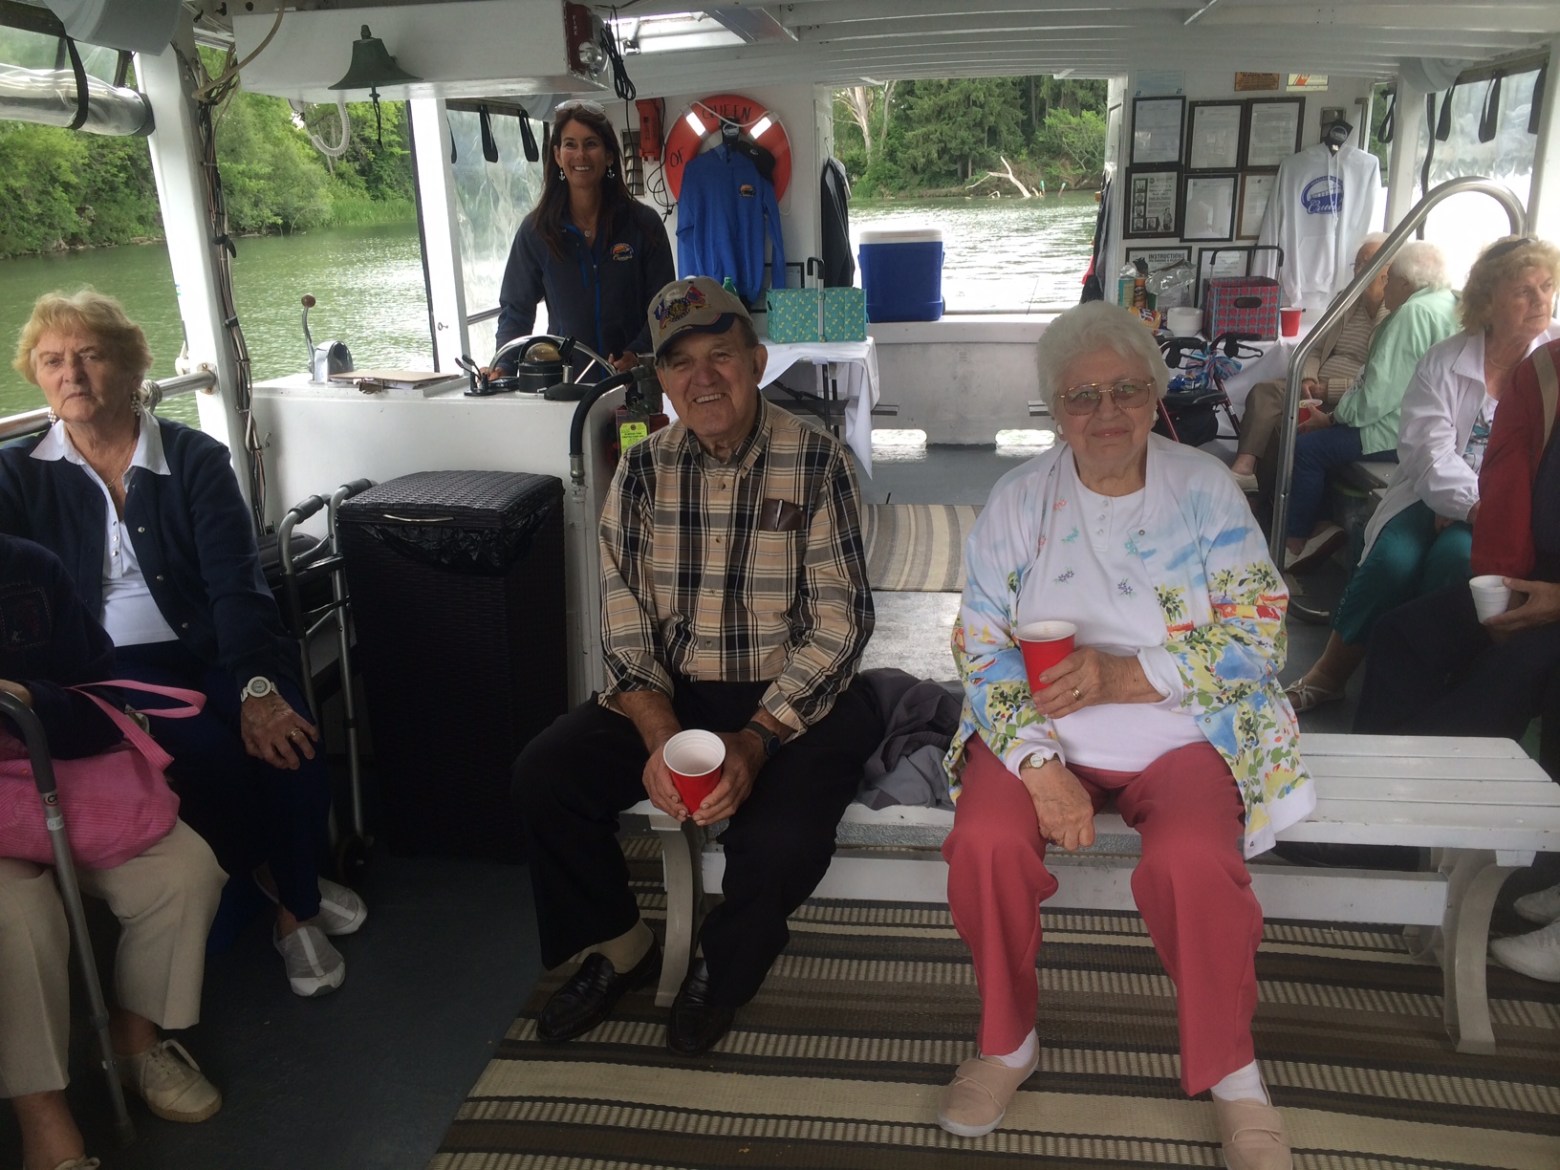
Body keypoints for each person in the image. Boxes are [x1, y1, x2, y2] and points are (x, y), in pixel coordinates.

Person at [939, 301, 1310, 1170]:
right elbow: (980, 643)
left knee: (1193, 865)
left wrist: (1123, 676)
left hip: (1181, 731)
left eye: (1125, 391)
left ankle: (1234, 1073)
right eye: (1081, 397)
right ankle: (1007, 1043)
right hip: (1039, 732)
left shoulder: (1204, 491)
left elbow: (1261, 628)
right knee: (984, 842)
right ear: (1054, 408)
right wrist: (1037, 766)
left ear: (1155, 395)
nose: (1105, 414)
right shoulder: (1019, 500)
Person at [511, 276, 883, 1056]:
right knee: (545, 773)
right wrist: (655, 729)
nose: (702, 377)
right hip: (673, 691)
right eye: (680, 363)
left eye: (721, 354)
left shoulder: (821, 464)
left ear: (758, 358)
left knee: (779, 839)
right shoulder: (644, 470)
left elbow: (841, 627)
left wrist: (755, 739)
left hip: (794, 697)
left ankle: (724, 963)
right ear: (661, 376)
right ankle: (619, 945)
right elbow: (621, 613)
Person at [0, 289, 365, 999]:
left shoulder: (194, 458)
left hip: (217, 646)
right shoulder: (17, 475)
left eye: (89, 356)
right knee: (208, 753)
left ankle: (293, 911)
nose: (71, 373)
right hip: (106, 670)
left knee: (289, 735)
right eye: (52, 361)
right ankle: (276, 878)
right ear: (36, 376)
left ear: (131, 367)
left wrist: (258, 688)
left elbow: (236, 584)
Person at [1, 534, 227, 1170]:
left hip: (54, 785)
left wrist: (27, 699)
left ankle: (132, 1043)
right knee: (16, 918)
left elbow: (104, 704)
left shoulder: (30, 566)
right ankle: (41, 1112)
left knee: (185, 873)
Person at [1354, 338, 1560, 977]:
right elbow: (1505, 482)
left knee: (1516, 675)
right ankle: (1381, 833)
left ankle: (1412, 815)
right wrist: (1504, 581)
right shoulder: (1547, 370)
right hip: (1538, 575)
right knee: (1404, 636)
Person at [1285, 236, 1560, 709]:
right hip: (1434, 494)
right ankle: (1329, 674)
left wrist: (1485, 513)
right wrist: (1472, 506)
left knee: (1457, 562)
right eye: (1524, 291)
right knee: (1393, 561)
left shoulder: (1551, 366)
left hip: (1511, 513)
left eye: (1548, 287)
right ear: (1488, 301)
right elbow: (1427, 453)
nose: (1541, 301)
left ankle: (1423, 680)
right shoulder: (1444, 361)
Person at [1281, 240, 1458, 571]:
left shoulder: (1412, 314)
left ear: (1405, 282)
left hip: (1398, 431)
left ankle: (1295, 542)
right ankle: (1320, 528)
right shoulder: (1445, 303)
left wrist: (1334, 418)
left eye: (1389, 280)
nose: (1384, 286)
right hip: (1431, 425)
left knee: (1306, 449)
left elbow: (1377, 395)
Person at [494, 99, 674, 376]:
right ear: (557, 155)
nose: (580, 155)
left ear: (609, 155)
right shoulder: (537, 231)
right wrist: (503, 366)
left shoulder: (643, 224)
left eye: (591, 144)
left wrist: (637, 354)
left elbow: (664, 306)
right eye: (570, 144)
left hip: (634, 383)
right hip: (566, 386)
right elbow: (516, 311)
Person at [1228, 233, 1389, 493]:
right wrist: (1309, 378)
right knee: (1264, 392)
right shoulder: (1345, 301)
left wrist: (1330, 389)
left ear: (1389, 270)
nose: (1360, 270)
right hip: (1314, 387)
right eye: (1357, 264)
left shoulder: (1395, 316)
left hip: (1349, 397)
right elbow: (1313, 347)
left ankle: (1269, 501)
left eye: (1369, 263)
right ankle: (1243, 470)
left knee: (1283, 427)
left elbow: (1378, 381)